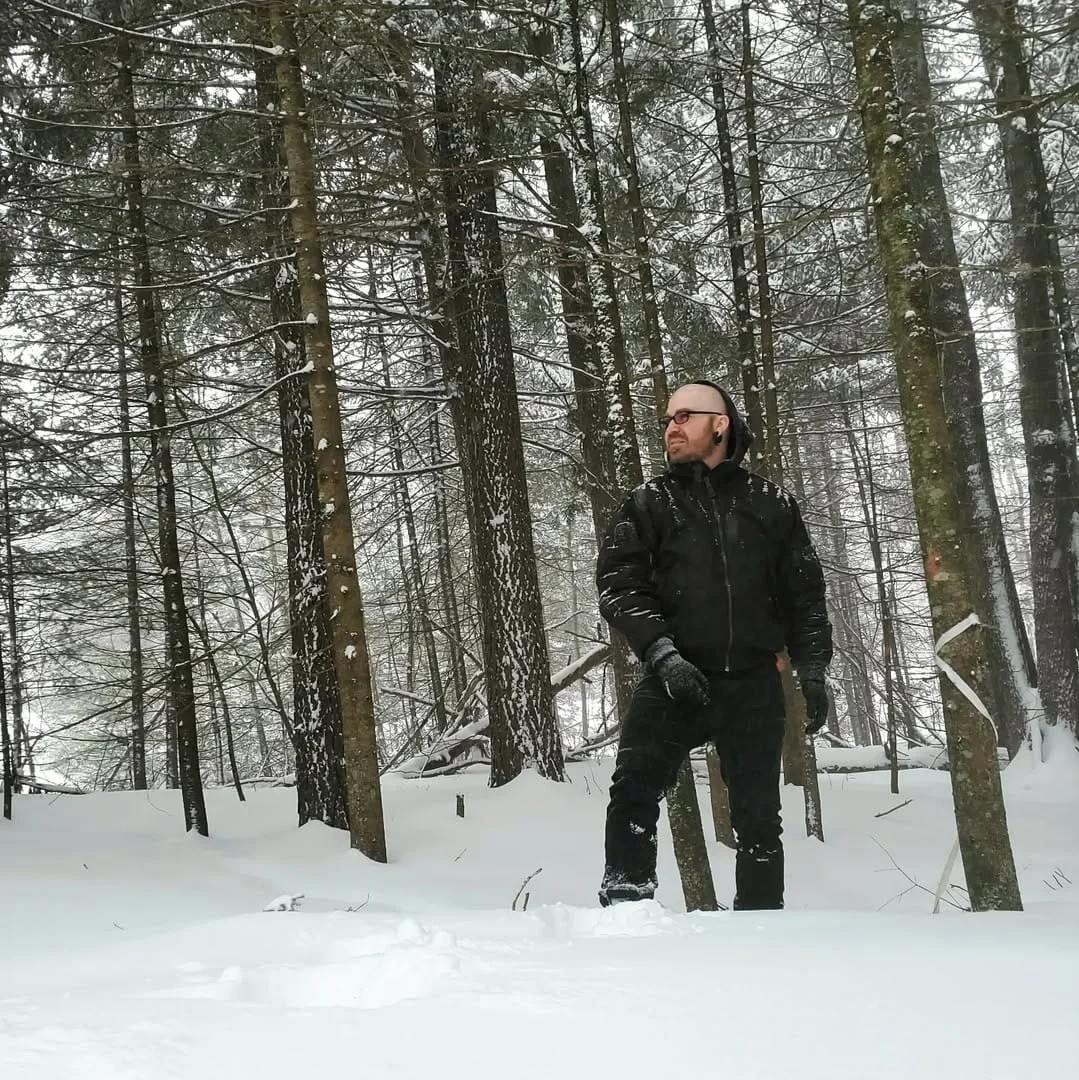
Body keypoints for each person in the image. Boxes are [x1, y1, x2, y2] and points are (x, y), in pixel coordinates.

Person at [595, 380, 832, 909]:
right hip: (674, 676)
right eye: (666, 419)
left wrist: (812, 668)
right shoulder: (646, 505)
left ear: (720, 424)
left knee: (759, 819)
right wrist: (662, 654)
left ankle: (760, 927)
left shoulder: (771, 504)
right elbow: (618, 586)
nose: (670, 427)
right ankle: (628, 916)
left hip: (752, 683)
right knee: (633, 791)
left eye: (684, 415)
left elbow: (805, 595)